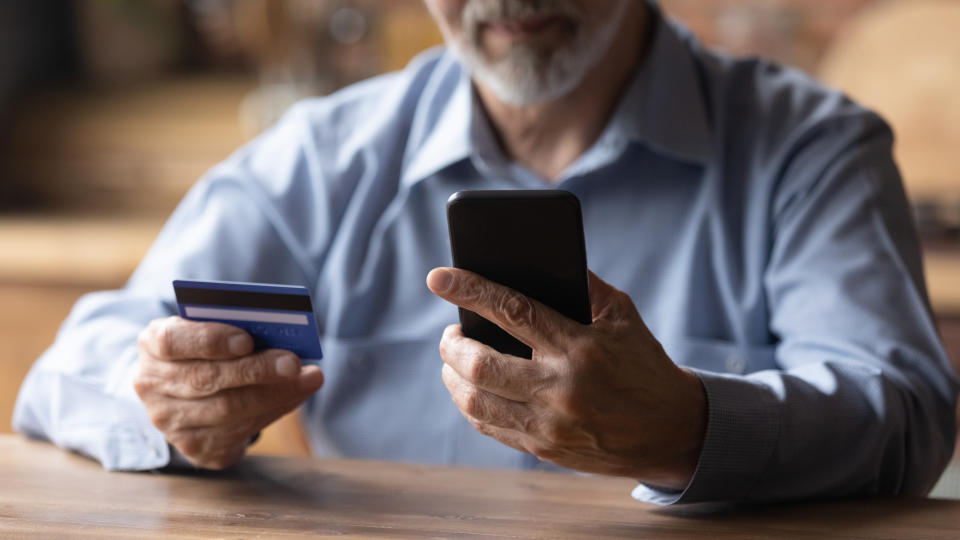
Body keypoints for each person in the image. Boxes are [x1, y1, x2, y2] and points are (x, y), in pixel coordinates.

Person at [13, 0, 958, 505]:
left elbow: (908, 416)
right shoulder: (325, 158)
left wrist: (692, 426)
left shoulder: (810, 149)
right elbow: (67, 373)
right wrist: (163, 397)